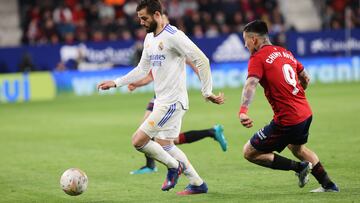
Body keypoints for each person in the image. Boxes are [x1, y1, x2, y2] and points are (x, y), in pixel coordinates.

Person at [97, 0, 224, 195]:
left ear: (157, 15)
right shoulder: (149, 39)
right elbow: (142, 69)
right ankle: (198, 183)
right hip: (162, 102)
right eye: (139, 18)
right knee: (166, 145)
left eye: (144, 18)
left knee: (138, 141)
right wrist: (116, 82)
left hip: (172, 103)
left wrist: (207, 91)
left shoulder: (174, 36)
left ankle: (174, 167)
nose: (141, 22)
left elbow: (202, 60)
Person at [238, 20, 339, 192]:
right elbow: (305, 78)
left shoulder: (258, 58)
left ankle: (299, 168)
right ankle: (329, 185)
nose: (245, 45)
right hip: (305, 113)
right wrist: (297, 92)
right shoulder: (285, 52)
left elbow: (251, 84)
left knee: (249, 152)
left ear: (254, 39)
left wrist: (243, 111)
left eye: (246, 40)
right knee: (297, 148)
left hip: (288, 119)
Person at [127, 73, 228, 175]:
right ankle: (211, 132)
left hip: (171, 99)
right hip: (159, 98)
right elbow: (151, 75)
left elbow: (198, 67)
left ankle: (154, 166)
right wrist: (136, 84)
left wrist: (207, 91)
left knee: (156, 135)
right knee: (165, 139)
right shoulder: (158, 59)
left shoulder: (177, 57)